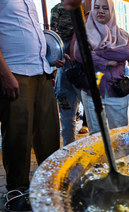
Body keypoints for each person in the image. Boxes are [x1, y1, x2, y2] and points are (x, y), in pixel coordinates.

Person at [0, 0, 61, 192]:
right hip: (15, 72)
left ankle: (50, 185)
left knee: (49, 132)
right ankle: (16, 190)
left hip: (41, 71)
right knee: (18, 135)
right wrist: (4, 74)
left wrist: (51, 58)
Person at [75, 0, 129, 134]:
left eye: (105, 8)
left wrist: (96, 52)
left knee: (119, 136)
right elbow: (79, 54)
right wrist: (106, 62)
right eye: (97, 7)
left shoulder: (121, 34)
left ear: (111, 11)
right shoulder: (85, 33)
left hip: (116, 92)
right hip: (92, 94)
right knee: (96, 138)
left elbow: (126, 52)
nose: (101, 11)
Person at [51, 0, 86, 144]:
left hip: (81, 67)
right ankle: (69, 151)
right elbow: (53, 36)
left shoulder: (83, 8)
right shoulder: (56, 9)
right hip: (64, 68)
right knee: (66, 115)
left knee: (92, 111)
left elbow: (82, 31)